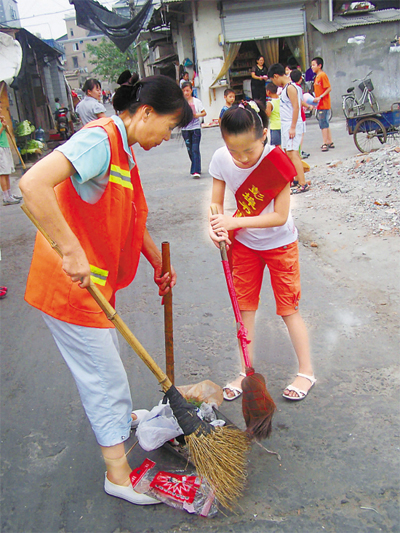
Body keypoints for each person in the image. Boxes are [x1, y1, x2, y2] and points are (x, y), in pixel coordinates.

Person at [19, 71, 192, 506]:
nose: (168, 137)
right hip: (70, 284)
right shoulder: (99, 140)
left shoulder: (125, 150)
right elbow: (32, 185)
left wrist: (156, 261)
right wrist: (72, 251)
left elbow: (131, 217)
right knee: (104, 377)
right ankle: (118, 475)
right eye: (170, 127)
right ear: (146, 112)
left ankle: (119, 421)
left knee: (106, 363)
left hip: (93, 286)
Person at [208, 100, 315, 403]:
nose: (241, 159)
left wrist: (234, 220)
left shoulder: (278, 161)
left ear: (265, 135)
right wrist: (216, 225)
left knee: (288, 309)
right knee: (245, 310)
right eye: (233, 151)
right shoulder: (220, 159)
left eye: (249, 151)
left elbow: (279, 216)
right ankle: (245, 371)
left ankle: (306, 372)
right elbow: (216, 203)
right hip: (245, 245)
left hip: (280, 244)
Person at [268, 63, 309, 194]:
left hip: (292, 124)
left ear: (276, 76)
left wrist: (292, 127)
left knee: (293, 153)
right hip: (285, 124)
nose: (274, 83)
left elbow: (296, 107)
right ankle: (296, 179)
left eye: (273, 80)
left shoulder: (290, 88)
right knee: (288, 152)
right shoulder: (287, 88)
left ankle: (302, 183)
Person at [181, 81, 206, 179]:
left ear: (191, 90)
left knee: (195, 149)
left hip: (195, 128)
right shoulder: (181, 103)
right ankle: (195, 165)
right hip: (185, 128)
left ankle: (196, 170)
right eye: (184, 91)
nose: (186, 93)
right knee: (190, 150)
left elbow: (204, 113)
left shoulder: (197, 101)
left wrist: (196, 115)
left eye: (188, 90)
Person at [311, 57, 334, 152]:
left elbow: (328, 88)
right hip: (320, 103)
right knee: (325, 122)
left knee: (323, 124)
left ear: (319, 66)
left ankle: (325, 143)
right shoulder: (317, 76)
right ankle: (330, 141)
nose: (312, 67)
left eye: (313, 65)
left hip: (323, 103)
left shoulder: (322, 75)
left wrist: (320, 97)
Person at [0, 103, 22, 206]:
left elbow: (7, 132)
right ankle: (6, 197)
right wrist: (2, 127)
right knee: (3, 173)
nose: (1, 109)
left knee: (7, 171)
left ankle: (10, 194)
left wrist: (4, 124)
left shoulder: (1, 120)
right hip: (0, 148)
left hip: (5, 146)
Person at [289, 69, 311, 160]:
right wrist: (309, 106)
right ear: (301, 78)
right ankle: (298, 152)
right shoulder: (298, 89)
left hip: (292, 115)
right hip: (300, 115)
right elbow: (300, 102)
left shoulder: (289, 88)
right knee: (300, 135)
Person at [266, 82, 281, 147]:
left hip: (275, 126)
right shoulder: (281, 99)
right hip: (283, 124)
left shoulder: (270, 103)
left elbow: (268, 114)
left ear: (268, 92)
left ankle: (280, 157)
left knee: (277, 146)